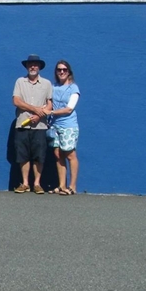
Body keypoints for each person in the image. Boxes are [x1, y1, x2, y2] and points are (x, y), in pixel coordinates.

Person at [12, 54, 53, 194]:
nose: (33, 67)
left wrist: (38, 115)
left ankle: (37, 184)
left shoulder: (47, 84)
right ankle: (25, 183)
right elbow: (16, 101)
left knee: (39, 155)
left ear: (39, 67)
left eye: (35, 64)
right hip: (22, 124)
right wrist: (35, 109)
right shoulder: (20, 82)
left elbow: (49, 105)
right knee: (22, 155)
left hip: (40, 126)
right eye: (30, 64)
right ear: (27, 67)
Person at [49, 60, 81, 195]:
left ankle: (72, 186)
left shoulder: (73, 88)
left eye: (64, 70)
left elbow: (69, 109)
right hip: (54, 126)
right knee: (58, 155)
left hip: (69, 126)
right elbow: (48, 104)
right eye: (59, 70)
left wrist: (51, 112)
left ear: (69, 72)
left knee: (70, 154)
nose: (62, 72)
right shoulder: (53, 87)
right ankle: (62, 185)